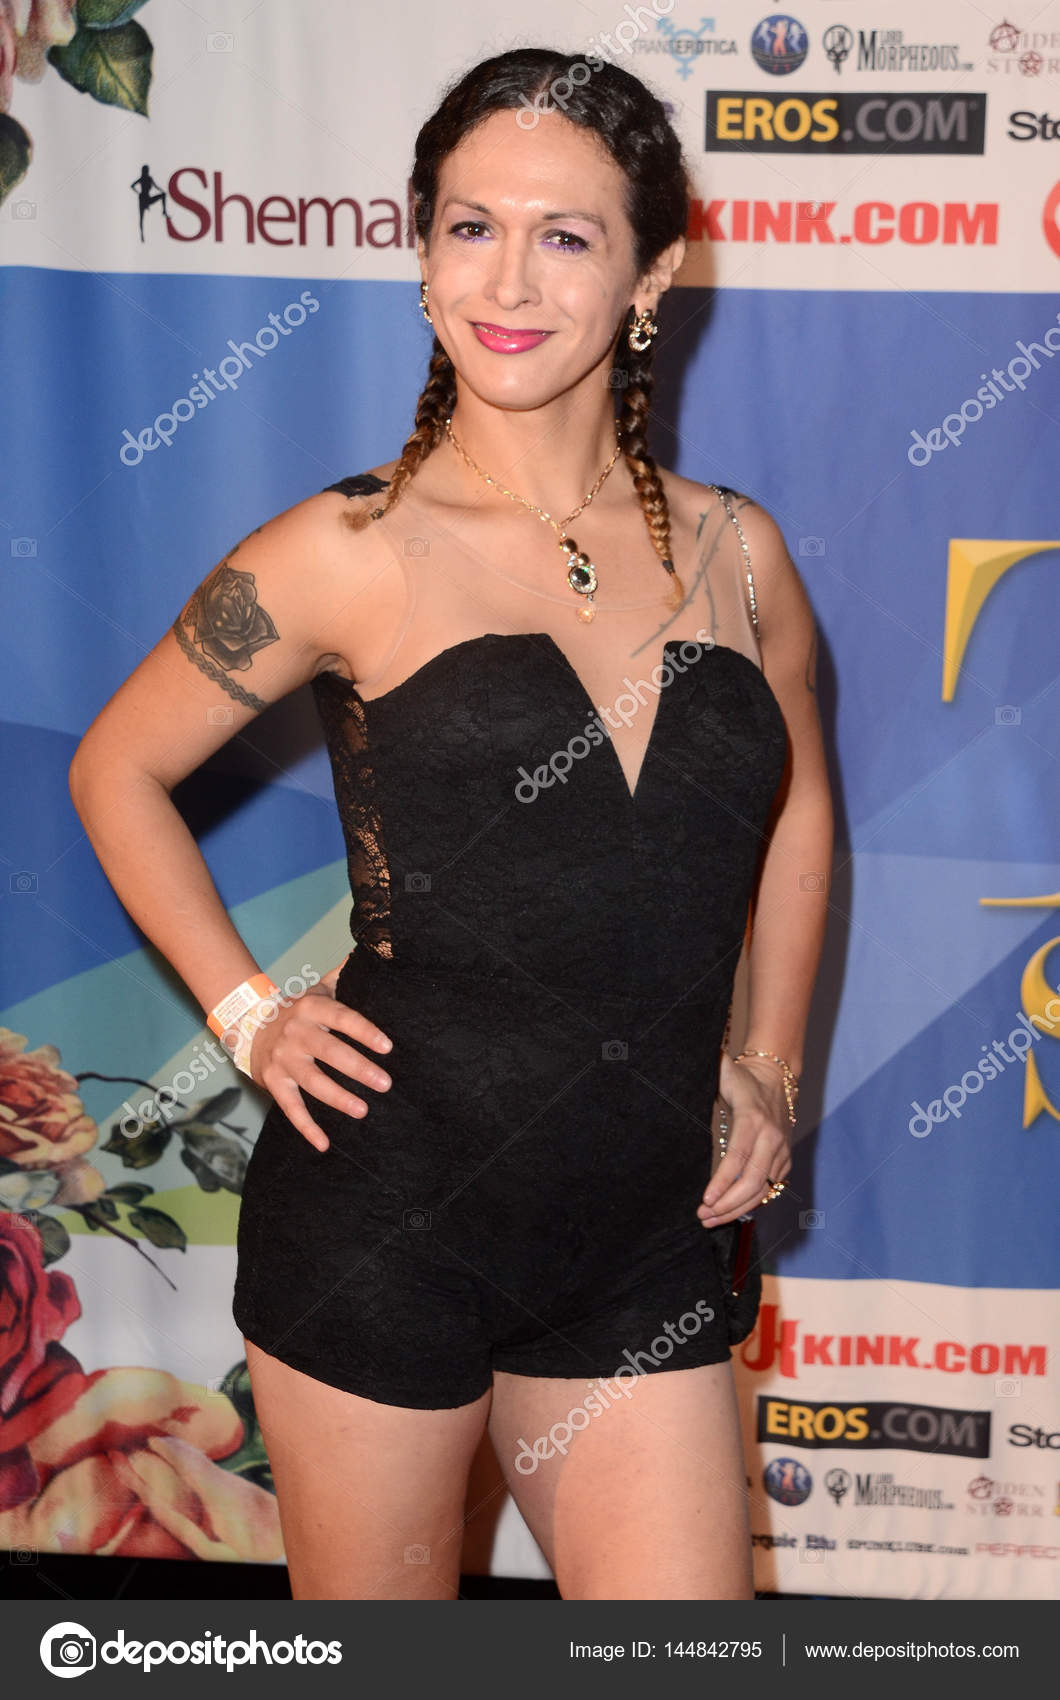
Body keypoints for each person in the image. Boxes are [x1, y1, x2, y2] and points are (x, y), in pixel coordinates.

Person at [69, 48, 832, 1601]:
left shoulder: (743, 558)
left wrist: (769, 1058)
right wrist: (249, 1015)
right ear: (422, 254)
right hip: (386, 1221)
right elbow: (115, 770)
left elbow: (797, 800)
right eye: (470, 227)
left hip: (642, 1233)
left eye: (567, 236)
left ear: (652, 274)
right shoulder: (345, 548)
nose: (508, 279)